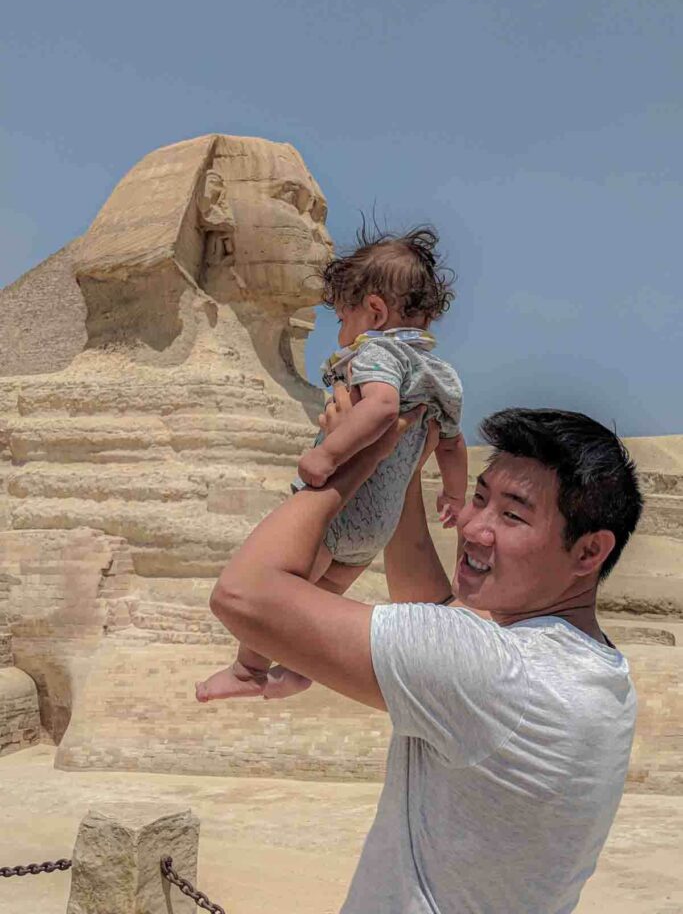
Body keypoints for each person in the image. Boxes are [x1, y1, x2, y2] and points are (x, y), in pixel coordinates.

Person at [206, 389, 643, 914]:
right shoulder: (597, 673)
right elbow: (434, 611)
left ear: (589, 551)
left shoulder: (499, 675)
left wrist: (350, 459)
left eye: (512, 516)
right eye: (479, 497)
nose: (473, 527)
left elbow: (244, 593)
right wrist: (400, 467)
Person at [196, 225, 467, 701]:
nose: (340, 334)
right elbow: (450, 443)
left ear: (375, 312)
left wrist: (328, 454)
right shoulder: (440, 375)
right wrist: (454, 493)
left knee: (280, 594)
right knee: (317, 601)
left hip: (341, 510)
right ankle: (299, 666)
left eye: (342, 319)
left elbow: (382, 408)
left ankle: (247, 669)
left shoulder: (377, 352)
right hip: (380, 525)